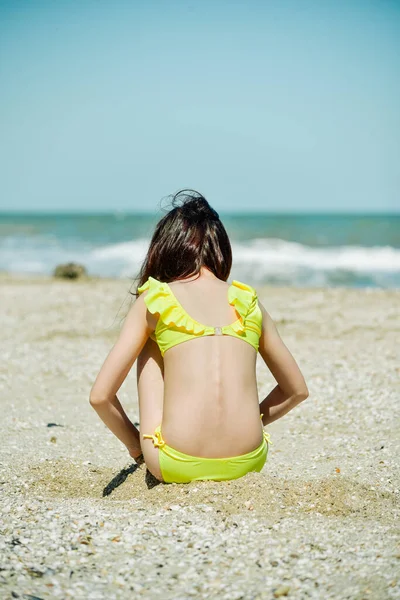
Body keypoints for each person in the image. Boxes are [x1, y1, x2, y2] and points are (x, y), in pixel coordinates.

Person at [89, 190, 309, 483]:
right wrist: (251, 420)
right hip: (249, 460)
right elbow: (297, 391)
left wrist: (135, 447)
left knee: (151, 344)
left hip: (175, 461)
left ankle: (150, 447)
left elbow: (100, 397)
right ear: (221, 249)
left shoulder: (156, 301)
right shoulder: (248, 302)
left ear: (164, 249)